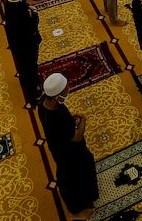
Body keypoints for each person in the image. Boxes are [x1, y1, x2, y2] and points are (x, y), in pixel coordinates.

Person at [38, 73, 99, 219]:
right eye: (66, 90)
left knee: (86, 165)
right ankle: (77, 210)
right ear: (57, 95)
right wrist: (83, 120)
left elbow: (61, 127)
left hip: (61, 148)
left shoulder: (43, 104)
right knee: (71, 179)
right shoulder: (56, 117)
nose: (68, 91)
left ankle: (90, 194)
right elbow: (76, 138)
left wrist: (70, 121)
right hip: (68, 152)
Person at [0, 0, 42, 99]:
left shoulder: (12, 0)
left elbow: (23, 4)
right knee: (30, 66)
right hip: (25, 43)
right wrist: (33, 14)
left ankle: (27, 81)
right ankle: (34, 91)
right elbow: (31, 23)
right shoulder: (15, 10)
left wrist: (29, 8)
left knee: (25, 66)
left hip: (20, 41)